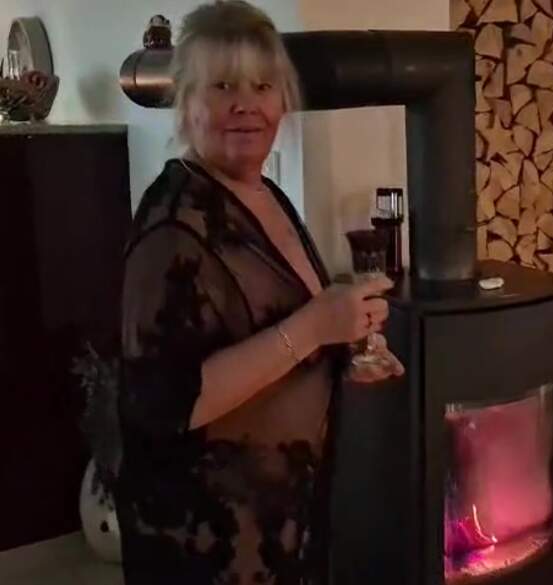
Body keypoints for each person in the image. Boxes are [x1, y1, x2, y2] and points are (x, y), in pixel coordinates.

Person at [117, 2, 403, 584]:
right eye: (223, 86)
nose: (246, 104)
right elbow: (164, 404)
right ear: (187, 103)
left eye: (262, 86)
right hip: (212, 542)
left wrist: (342, 341)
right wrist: (313, 329)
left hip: (283, 521)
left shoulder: (264, 192)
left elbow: (274, 331)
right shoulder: (173, 228)